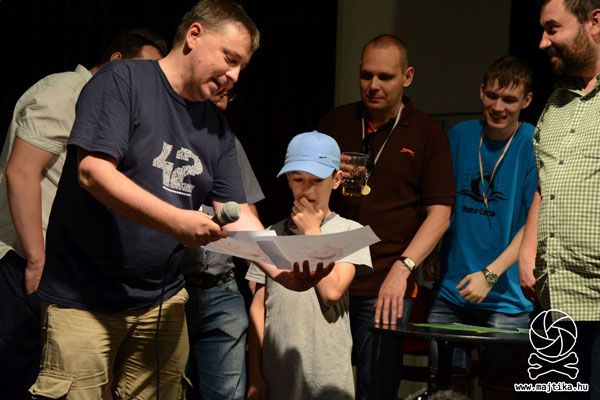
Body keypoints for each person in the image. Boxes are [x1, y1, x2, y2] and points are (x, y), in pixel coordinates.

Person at [29, 1, 330, 398]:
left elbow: (237, 214)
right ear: (194, 35)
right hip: (84, 298)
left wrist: (280, 269)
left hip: (162, 301)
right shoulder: (123, 80)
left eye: (242, 67)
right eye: (230, 59)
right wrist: (177, 220)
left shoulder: (217, 129)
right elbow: (93, 171)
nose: (235, 75)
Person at [0, 29, 166, 400]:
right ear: (117, 61)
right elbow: (21, 172)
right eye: (143, 70)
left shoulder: (110, 107)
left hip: (64, 269)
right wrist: (37, 259)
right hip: (28, 263)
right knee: (21, 377)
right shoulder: (67, 92)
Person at [318, 34, 455, 399]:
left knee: (376, 388)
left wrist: (403, 268)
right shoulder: (336, 121)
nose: (373, 85)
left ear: (407, 77)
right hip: (329, 277)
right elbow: (301, 192)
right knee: (318, 385)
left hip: (386, 283)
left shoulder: (426, 133)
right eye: (366, 75)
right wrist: (325, 175)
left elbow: (440, 214)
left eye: (385, 77)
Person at [425, 55, 535, 399]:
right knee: (445, 390)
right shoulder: (460, 135)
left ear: (527, 101)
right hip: (451, 291)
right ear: (481, 91)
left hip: (507, 299)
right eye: (492, 96)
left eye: (510, 100)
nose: (498, 107)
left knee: (499, 391)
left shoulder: (533, 141)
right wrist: (437, 250)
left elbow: (533, 224)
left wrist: (490, 275)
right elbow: (443, 200)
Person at [246, 131, 372, 400]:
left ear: (337, 179)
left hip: (327, 377)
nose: (308, 189)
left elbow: (331, 293)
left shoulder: (351, 232)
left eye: (317, 180)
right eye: (298, 179)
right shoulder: (271, 234)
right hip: (277, 374)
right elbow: (259, 307)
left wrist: (312, 232)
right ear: (288, 181)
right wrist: (255, 374)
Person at [519, 0, 600, 397]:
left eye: (553, 29)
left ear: (595, 22)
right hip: (555, 301)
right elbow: (545, 182)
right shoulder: (557, 100)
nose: (542, 41)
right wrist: (526, 248)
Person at [181, 83, 264, 400]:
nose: (224, 104)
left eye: (229, 95)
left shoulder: (228, 142)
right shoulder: (166, 137)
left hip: (223, 289)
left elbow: (246, 214)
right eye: (218, 93)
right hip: (175, 288)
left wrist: (264, 269)